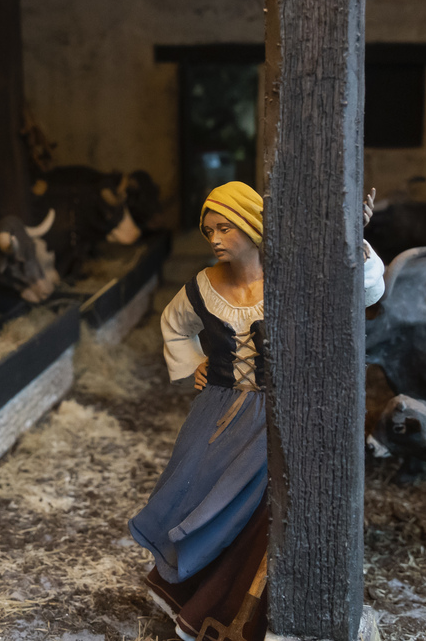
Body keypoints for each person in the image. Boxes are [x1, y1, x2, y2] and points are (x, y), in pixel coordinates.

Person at [129, 181, 385, 641]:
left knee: (264, 516)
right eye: (209, 230)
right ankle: (198, 597)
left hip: (281, 416)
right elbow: (173, 326)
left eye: (225, 228)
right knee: (196, 499)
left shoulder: (291, 279)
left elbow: (363, 294)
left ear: (252, 226)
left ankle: (252, 615)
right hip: (220, 413)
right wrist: (195, 366)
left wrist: (352, 243)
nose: (215, 239)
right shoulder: (204, 287)